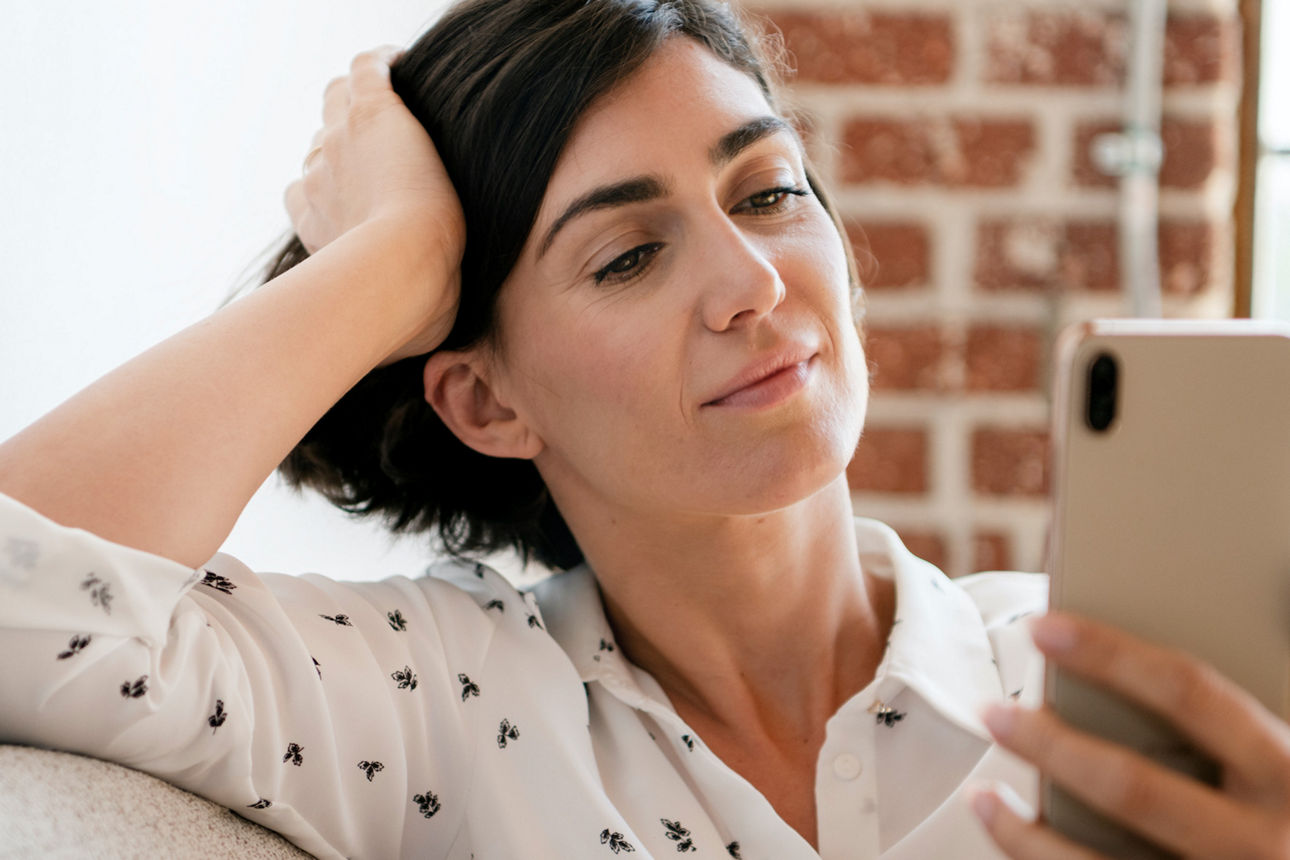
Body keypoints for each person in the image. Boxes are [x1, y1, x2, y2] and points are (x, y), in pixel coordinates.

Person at [1, 0, 1288, 857]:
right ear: (486, 398)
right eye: (625, 257)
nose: (753, 281)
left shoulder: (1079, 682)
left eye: (770, 190)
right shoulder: (437, 703)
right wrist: (390, 265)